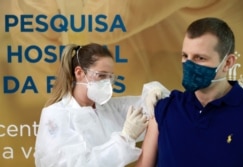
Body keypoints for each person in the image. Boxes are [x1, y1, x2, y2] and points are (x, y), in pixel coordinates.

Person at [136, 17, 243, 167]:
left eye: (200, 58)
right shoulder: (165, 109)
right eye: (185, 56)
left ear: (227, 63)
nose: (189, 64)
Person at [34, 43, 169, 167]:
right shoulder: (55, 115)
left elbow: (151, 107)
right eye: (101, 76)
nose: (107, 83)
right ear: (79, 73)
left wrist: (154, 92)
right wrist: (124, 138)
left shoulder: (108, 108)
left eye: (110, 77)